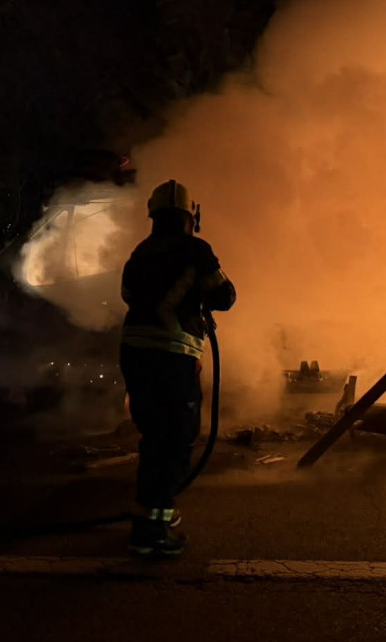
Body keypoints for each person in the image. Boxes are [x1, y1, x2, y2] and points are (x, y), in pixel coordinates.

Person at [119, 179, 236, 555]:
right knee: (175, 440)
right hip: (172, 357)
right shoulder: (196, 250)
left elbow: (128, 295)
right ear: (191, 217)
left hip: (136, 355)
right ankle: (152, 532)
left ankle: (153, 515)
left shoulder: (140, 252)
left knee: (154, 437)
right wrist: (196, 298)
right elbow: (226, 296)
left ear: (153, 216)